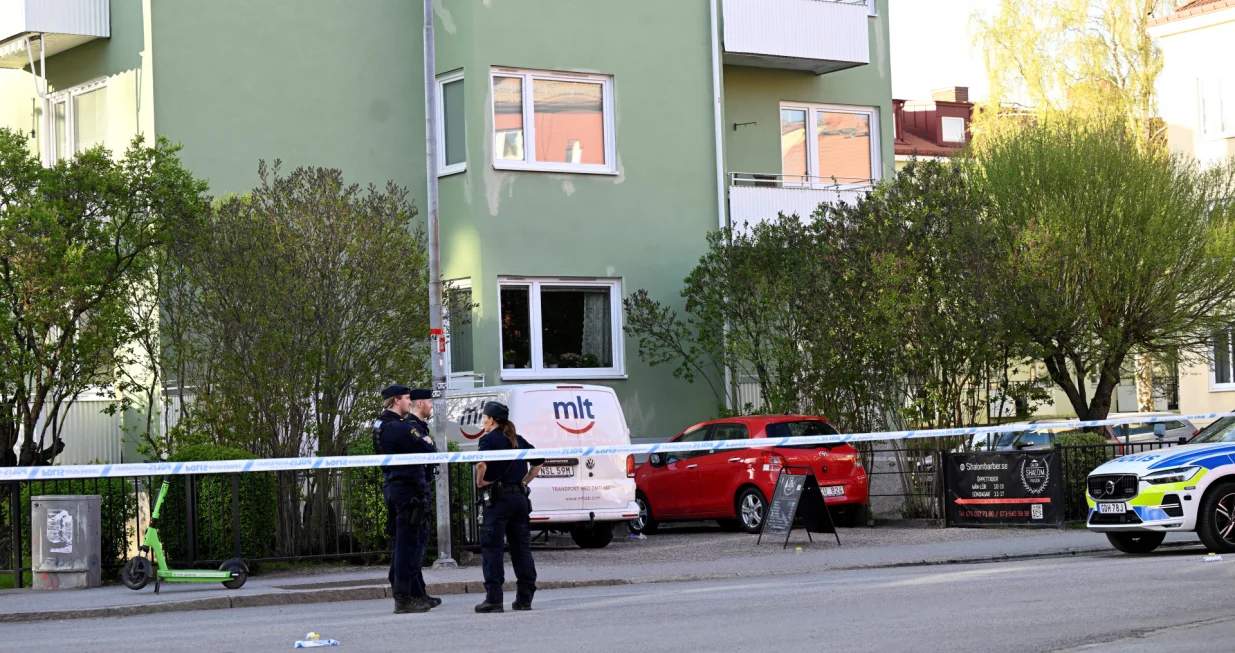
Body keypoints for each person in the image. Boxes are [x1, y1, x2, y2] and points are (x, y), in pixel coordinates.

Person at [473, 401, 543, 613]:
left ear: (492, 419)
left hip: (498, 500)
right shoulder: (517, 440)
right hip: (519, 500)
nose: (483, 421)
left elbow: (482, 464)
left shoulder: (487, 440)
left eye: (484, 417)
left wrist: (480, 481)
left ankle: (494, 600)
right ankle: (525, 598)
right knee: (521, 549)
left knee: (493, 549)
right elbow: (538, 462)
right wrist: (524, 482)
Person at [375, 384, 438, 614]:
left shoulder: (381, 425)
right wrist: (427, 443)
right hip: (407, 490)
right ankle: (404, 598)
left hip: (397, 487)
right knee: (407, 546)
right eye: (407, 399)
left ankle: (412, 594)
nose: (409, 403)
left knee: (403, 544)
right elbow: (426, 450)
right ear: (396, 400)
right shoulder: (397, 427)